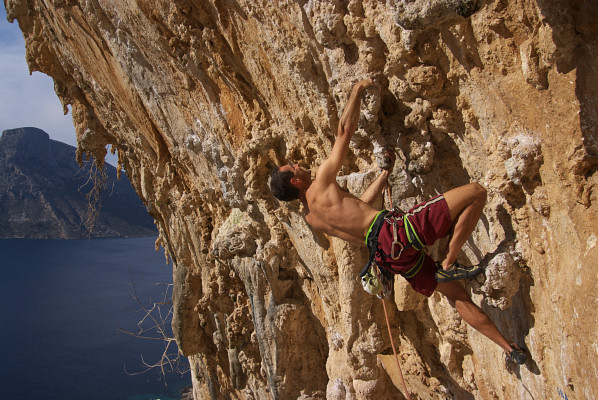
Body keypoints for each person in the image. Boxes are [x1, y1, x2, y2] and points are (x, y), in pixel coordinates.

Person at [269, 79, 527, 364]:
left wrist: (382, 175)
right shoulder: (321, 181)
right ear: (295, 181)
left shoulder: (312, 218)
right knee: (476, 192)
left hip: (388, 255)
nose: (298, 164)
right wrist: (357, 89)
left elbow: (360, 209)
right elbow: (344, 131)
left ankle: (510, 348)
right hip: (398, 232)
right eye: (293, 167)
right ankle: (449, 263)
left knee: (457, 296)